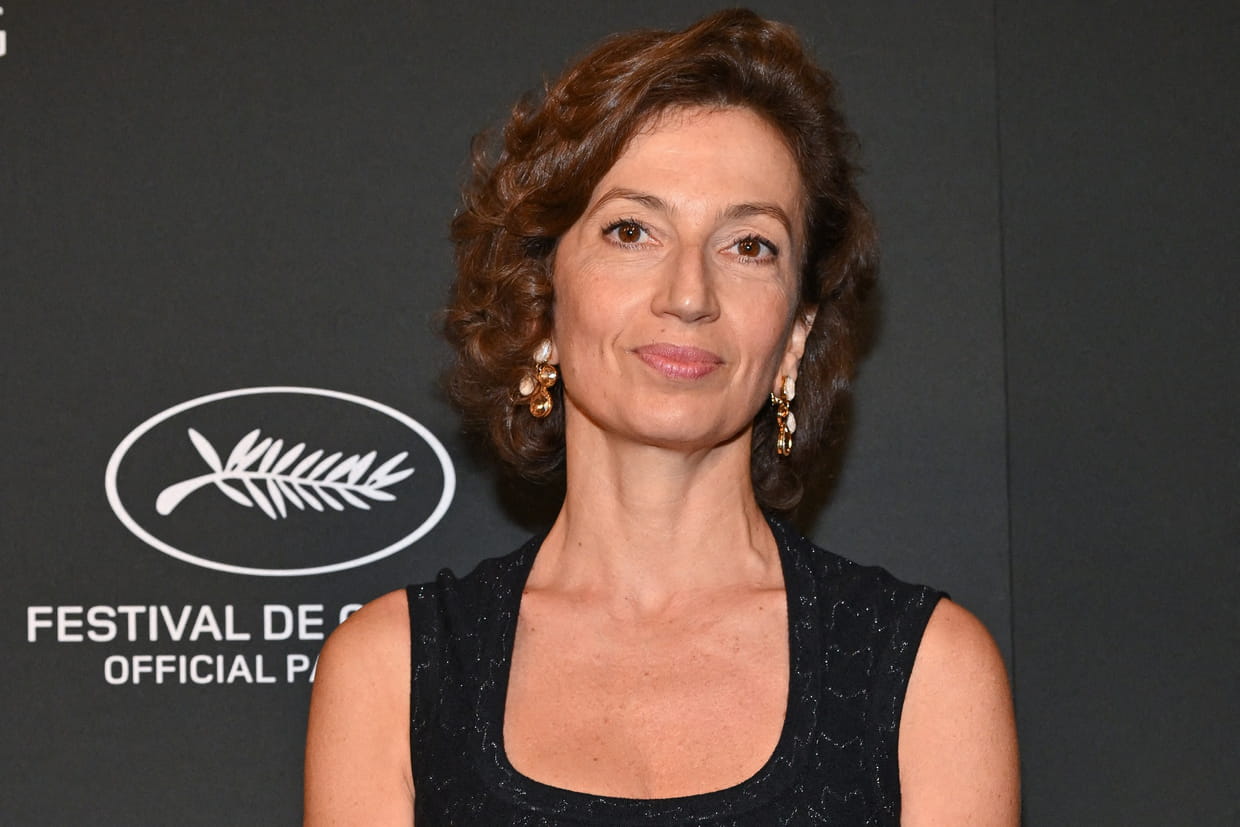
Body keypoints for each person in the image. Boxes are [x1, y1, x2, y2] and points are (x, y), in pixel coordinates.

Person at [304, 9, 1019, 825]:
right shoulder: (392, 674)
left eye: (749, 245)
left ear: (795, 334)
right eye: (632, 230)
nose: (689, 294)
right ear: (540, 303)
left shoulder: (927, 673)